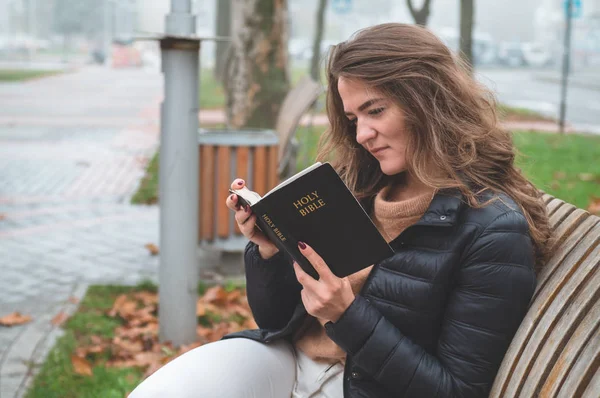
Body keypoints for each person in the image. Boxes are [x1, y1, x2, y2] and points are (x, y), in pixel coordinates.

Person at [129, 23, 552, 398]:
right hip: (288, 359)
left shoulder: (492, 231)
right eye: (353, 118)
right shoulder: (362, 186)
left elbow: (455, 390)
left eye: (376, 111)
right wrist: (269, 250)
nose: (363, 134)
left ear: (429, 102)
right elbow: (276, 318)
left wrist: (346, 315)